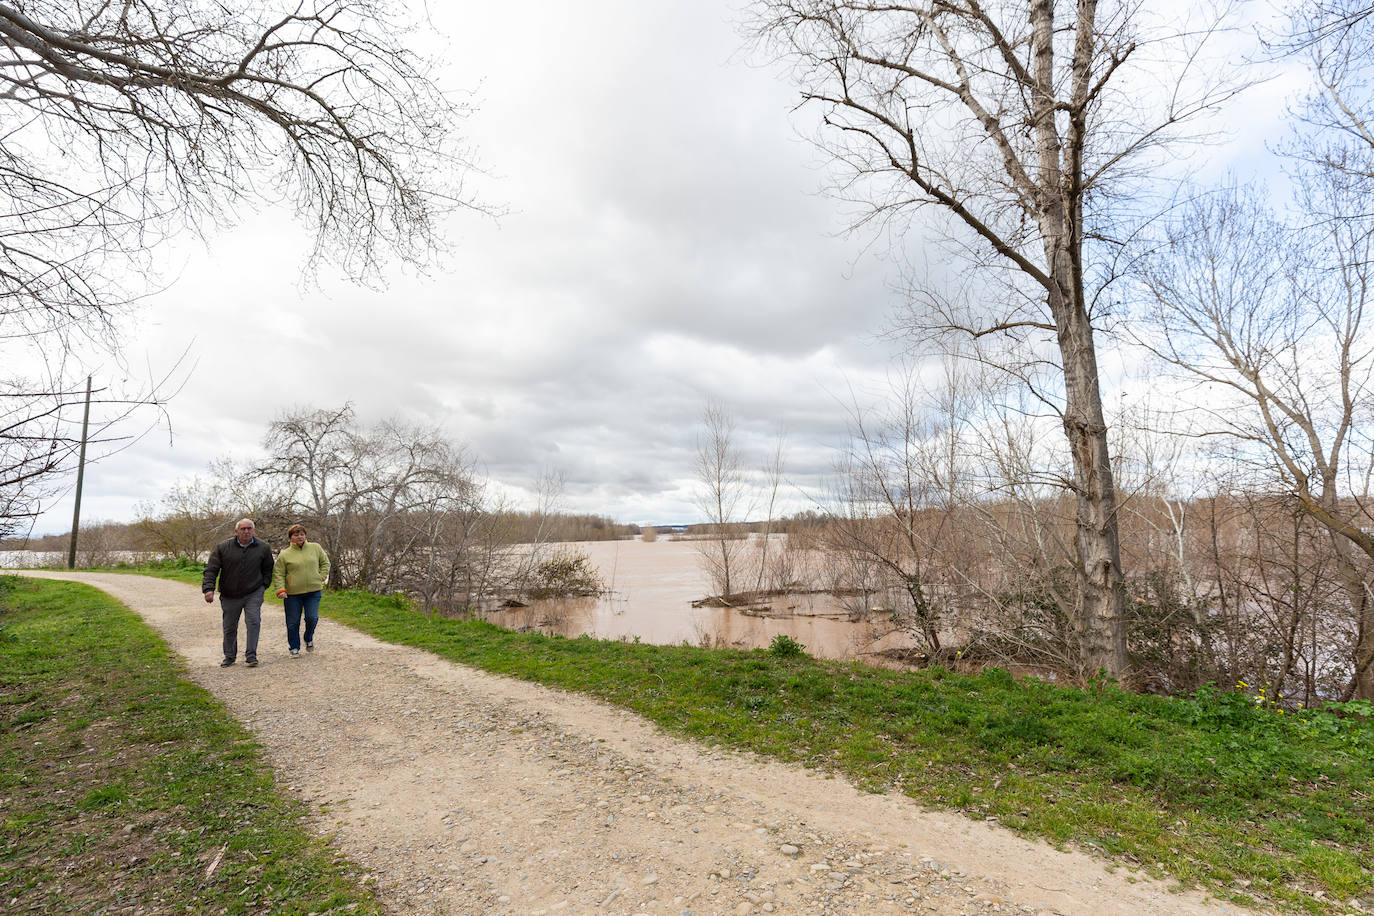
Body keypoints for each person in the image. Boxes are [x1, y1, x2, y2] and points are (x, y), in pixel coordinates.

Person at [203, 518, 275, 668]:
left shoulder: (263, 547)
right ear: (236, 532)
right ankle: (229, 656)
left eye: (249, 528)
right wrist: (208, 589)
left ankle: (251, 655)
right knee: (229, 626)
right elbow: (211, 569)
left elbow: (268, 569)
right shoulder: (223, 547)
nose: (246, 531)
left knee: (253, 622)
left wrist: (263, 586)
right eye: (243, 529)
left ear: (253, 531)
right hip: (230, 594)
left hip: (253, 592)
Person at [272, 523, 331, 658]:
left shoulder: (315, 548)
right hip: (292, 594)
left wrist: (321, 576)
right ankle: (294, 647)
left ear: (305, 536)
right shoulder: (285, 554)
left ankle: (308, 637)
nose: (300, 537)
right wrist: (280, 589)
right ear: (290, 538)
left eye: (302, 534)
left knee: (312, 618)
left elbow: (325, 563)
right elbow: (279, 573)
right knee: (293, 622)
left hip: (313, 591)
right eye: (296, 535)